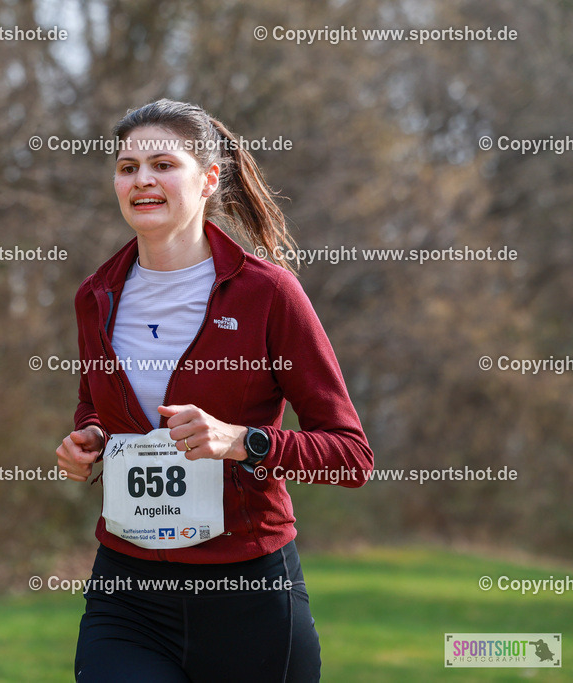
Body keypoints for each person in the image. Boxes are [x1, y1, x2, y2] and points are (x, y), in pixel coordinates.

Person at [55, 99, 374, 682]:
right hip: (128, 590)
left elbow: (351, 456)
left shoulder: (267, 294)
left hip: (248, 593)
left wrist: (242, 441)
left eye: (162, 164)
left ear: (208, 179)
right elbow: (96, 403)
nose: (141, 179)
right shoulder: (95, 295)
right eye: (127, 167)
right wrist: (92, 437)